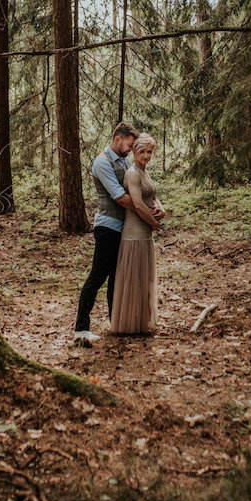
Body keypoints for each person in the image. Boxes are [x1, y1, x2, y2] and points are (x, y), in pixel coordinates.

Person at [73, 122, 163, 343]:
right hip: (108, 227)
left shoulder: (124, 160)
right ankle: (81, 327)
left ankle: (117, 323)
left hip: (123, 229)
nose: (130, 149)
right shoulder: (102, 163)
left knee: (117, 278)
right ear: (117, 139)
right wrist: (146, 214)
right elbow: (121, 197)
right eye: (129, 144)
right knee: (98, 276)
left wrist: (154, 205)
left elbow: (141, 187)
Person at [110, 133, 165, 335]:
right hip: (134, 233)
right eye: (142, 151)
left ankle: (141, 323)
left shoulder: (145, 172)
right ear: (134, 151)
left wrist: (162, 209)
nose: (146, 156)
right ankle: (129, 325)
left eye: (149, 152)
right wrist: (154, 224)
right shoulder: (132, 173)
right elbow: (138, 205)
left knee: (144, 278)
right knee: (134, 278)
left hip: (145, 233)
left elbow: (153, 196)